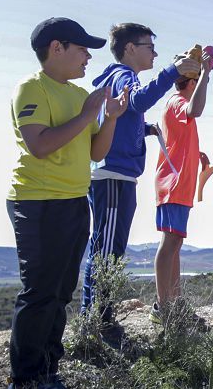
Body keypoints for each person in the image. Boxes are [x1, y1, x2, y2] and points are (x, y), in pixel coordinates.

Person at [4, 17, 128, 389]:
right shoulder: (31, 89)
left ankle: (47, 376)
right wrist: (89, 109)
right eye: (81, 49)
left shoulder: (79, 95)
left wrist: (108, 117)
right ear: (55, 48)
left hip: (75, 201)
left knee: (60, 293)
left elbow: (95, 152)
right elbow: (39, 145)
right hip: (37, 203)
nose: (88, 57)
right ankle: (20, 387)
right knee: (39, 292)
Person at [80, 23, 199, 346]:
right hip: (114, 175)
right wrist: (171, 71)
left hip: (113, 174)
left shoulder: (115, 78)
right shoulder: (124, 77)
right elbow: (138, 102)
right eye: (149, 46)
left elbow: (125, 115)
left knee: (107, 249)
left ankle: (97, 319)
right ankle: (98, 324)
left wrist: (142, 130)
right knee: (107, 253)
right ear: (130, 48)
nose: (155, 53)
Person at [153, 51, 213, 314]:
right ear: (192, 83)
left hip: (181, 184)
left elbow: (178, 139)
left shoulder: (177, 105)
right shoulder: (178, 101)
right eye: (200, 83)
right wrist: (207, 74)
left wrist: (195, 154)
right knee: (169, 244)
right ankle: (163, 305)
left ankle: (175, 303)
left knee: (175, 243)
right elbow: (196, 109)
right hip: (173, 184)